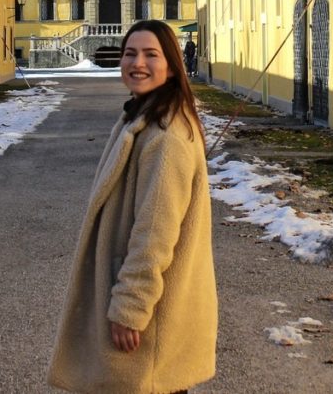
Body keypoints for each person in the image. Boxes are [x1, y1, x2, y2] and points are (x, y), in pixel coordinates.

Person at [49, 20, 217, 394]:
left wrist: (131, 307)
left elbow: (155, 232)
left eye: (150, 54)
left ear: (172, 65)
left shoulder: (165, 136)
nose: (137, 63)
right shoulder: (146, 116)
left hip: (149, 317)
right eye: (130, 53)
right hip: (152, 312)